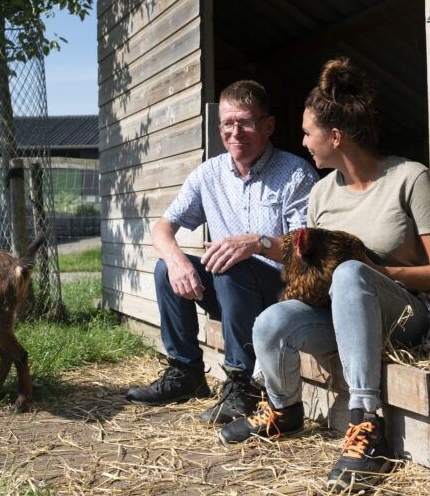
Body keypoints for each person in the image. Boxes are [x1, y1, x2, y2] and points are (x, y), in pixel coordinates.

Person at [219, 58, 430, 492]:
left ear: (334, 137)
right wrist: (274, 250)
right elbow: (305, 262)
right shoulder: (321, 192)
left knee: (352, 273)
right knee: (273, 321)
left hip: (404, 315)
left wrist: (378, 272)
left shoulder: (409, 178)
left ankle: (366, 423)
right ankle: (283, 411)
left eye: (307, 132)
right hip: (344, 316)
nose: (302, 142)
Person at [126, 80, 318, 425]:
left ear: (268, 125)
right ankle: (186, 373)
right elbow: (162, 228)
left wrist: (256, 243)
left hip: (281, 295)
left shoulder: (295, 174)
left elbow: (306, 253)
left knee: (230, 263)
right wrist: (176, 260)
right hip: (231, 294)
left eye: (245, 122)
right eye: (227, 123)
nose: (235, 132)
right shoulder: (209, 174)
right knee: (165, 269)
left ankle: (242, 384)